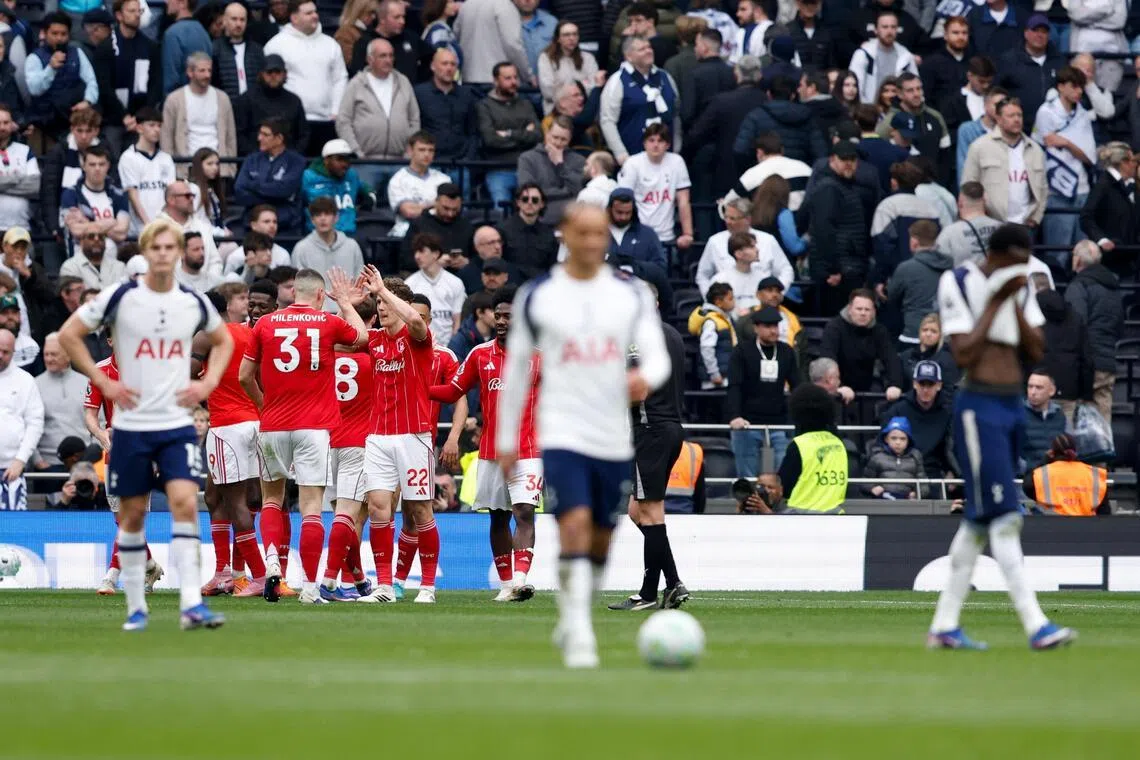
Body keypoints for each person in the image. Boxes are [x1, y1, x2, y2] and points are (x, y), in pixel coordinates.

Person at [496, 204, 670, 668]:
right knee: (572, 524)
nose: (593, 242)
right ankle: (578, 629)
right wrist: (508, 439)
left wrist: (645, 379)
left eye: (600, 234)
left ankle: (576, 611)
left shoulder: (629, 295)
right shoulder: (539, 295)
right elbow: (515, 369)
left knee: (601, 538)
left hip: (613, 433)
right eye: (584, 233)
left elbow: (658, 356)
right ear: (565, 235)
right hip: (562, 429)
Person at [58, 218, 234, 630]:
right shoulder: (120, 297)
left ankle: (191, 605)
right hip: (131, 428)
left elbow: (224, 339)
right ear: (145, 251)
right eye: (156, 247)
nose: (163, 254)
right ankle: (136, 606)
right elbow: (69, 334)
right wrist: (101, 380)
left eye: (170, 247)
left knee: (186, 504)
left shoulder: (192, 301)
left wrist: (208, 380)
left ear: (177, 253)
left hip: (175, 424)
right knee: (133, 516)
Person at [929, 222, 1075, 651]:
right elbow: (964, 352)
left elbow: (1034, 349)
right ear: (995, 255)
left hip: (1012, 404)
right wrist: (996, 302)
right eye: (1016, 261)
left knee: (977, 523)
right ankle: (1036, 625)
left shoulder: (1021, 287)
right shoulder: (957, 282)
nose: (1022, 269)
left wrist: (1013, 301)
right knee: (1006, 516)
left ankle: (944, 626)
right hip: (979, 407)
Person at [239, 267, 367, 603]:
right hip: (313, 428)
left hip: (273, 425)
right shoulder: (327, 322)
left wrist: (264, 405)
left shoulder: (265, 324)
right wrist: (347, 303)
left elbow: (244, 376)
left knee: (271, 500)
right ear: (321, 295)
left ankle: (270, 562)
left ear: (293, 292)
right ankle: (311, 587)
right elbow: (362, 338)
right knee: (311, 508)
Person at [429, 288, 543, 601]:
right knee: (497, 516)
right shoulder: (480, 355)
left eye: (509, 315)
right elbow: (453, 391)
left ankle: (520, 579)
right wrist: (419, 387)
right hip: (491, 452)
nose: (503, 320)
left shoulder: (537, 358)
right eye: (499, 314)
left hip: (529, 451)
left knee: (524, 512)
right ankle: (507, 585)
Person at [335, 269, 439, 604]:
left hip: (414, 436)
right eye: (378, 302)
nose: (381, 307)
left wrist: (384, 290)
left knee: (420, 510)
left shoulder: (418, 339)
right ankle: (383, 587)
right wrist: (343, 303)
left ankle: (427, 586)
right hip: (377, 437)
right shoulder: (376, 341)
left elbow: (416, 321)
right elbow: (351, 334)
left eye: (386, 302)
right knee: (380, 508)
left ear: (402, 304)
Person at [610, 293, 688, 610]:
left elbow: (634, 389)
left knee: (652, 512)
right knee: (636, 510)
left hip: (650, 430)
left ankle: (649, 593)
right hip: (671, 428)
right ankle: (671, 582)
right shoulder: (671, 334)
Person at [190, 282, 268, 598]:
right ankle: (225, 573)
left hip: (226, 425)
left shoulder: (207, 335)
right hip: (255, 422)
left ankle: (258, 576)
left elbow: (186, 373)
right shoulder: (248, 334)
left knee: (235, 500)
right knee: (214, 495)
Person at [387, 293, 468, 597]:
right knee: (386, 509)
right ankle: (388, 580)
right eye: (408, 315)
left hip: (420, 440)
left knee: (416, 511)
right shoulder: (390, 348)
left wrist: (453, 438)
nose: (413, 321)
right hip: (386, 437)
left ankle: (417, 583)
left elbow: (459, 399)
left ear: (430, 321)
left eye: (419, 317)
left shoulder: (444, 356)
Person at [316, 294, 378, 601]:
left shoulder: (327, 360)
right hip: (359, 443)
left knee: (341, 517)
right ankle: (328, 582)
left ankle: (357, 578)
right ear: (372, 322)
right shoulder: (372, 360)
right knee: (349, 516)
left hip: (326, 444)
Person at [263, 0, 349, 155]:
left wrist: (335, 111)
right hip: (290, 124)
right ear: (294, 18)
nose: (315, 16)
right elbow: (270, 82)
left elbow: (340, 79)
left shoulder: (331, 45)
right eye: (308, 13)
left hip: (326, 122)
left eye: (315, 12)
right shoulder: (276, 44)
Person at [336, 37, 421, 190]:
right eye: (383, 56)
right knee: (367, 208)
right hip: (366, 162)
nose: (388, 60)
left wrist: (410, 149)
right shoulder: (357, 84)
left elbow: (414, 119)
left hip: (400, 161)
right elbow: (343, 121)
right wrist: (357, 152)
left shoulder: (403, 82)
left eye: (391, 55)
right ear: (370, 59)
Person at [727, 305, 800, 477]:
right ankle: (748, 504)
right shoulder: (742, 351)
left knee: (783, 474)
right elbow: (734, 385)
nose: (773, 330)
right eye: (768, 326)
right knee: (748, 476)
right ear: (756, 328)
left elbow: (797, 385)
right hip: (747, 422)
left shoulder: (786, 351)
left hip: (779, 422)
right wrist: (735, 416)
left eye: (775, 326)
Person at [1032, 66, 1095, 263]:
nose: (1079, 91)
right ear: (1060, 87)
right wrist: (1069, 144)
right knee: (1058, 251)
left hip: (1082, 187)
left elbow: (1089, 156)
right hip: (1056, 189)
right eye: (1074, 86)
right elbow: (1045, 143)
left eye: (1081, 87)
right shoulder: (1046, 112)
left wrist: (1066, 143)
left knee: (1082, 248)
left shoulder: (1082, 115)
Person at [802, 141, 868, 315]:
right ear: (832, 160)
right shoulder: (829, 188)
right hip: (836, 271)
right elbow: (824, 230)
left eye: (852, 159)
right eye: (844, 159)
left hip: (846, 266)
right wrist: (832, 269)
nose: (849, 163)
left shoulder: (845, 186)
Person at [961, 97, 1046, 227]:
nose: (1017, 119)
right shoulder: (979, 147)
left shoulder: (1035, 150)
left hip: (1025, 224)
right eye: (1011, 116)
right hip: (990, 223)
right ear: (999, 119)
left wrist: (1036, 218)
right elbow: (969, 184)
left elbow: (1043, 188)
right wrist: (978, 217)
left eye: (1019, 115)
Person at [599, 36, 680, 166]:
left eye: (649, 47)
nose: (648, 51)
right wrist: (621, 154)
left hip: (667, 157)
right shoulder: (618, 81)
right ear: (629, 56)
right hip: (633, 158)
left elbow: (675, 114)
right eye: (642, 49)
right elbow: (607, 120)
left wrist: (677, 147)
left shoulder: (665, 77)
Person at [1065, 241, 1121, 424]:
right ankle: (1105, 450)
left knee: (1079, 417)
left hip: (1086, 361)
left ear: (1078, 260)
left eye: (1073, 255)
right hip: (1107, 360)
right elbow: (1119, 325)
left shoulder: (1079, 286)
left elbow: (1075, 325)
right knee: (1103, 414)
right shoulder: (1113, 287)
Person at [159, 53, 238, 179]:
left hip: (218, 168)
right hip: (186, 168)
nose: (207, 75)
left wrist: (230, 169)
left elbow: (230, 137)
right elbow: (166, 138)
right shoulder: (174, 99)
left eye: (209, 70)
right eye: (202, 71)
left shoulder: (222, 98)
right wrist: (170, 170)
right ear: (190, 72)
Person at [93, 0, 156, 155]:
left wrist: (140, 116)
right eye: (131, 11)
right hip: (113, 120)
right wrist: (124, 116)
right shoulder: (106, 48)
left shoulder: (149, 47)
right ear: (119, 15)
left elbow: (155, 84)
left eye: (139, 11)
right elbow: (104, 86)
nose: (136, 15)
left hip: (140, 120)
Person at [24, 12, 98, 141]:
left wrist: (87, 101)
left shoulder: (77, 53)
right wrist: (51, 68)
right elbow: (34, 89)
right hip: (45, 119)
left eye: (63, 34)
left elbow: (91, 81)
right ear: (44, 33)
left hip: (75, 115)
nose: (59, 38)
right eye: (54, 33)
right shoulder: (34, 58)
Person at [476, 62, 541, 208]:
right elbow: (490, 140)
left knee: (534, 209)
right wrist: (524, 134)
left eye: (515, 77)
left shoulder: (526, 104)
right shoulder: (484, 106)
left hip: (527, 168)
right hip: (498, 169)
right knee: (500, 211)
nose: (513, 82)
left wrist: (508, 134)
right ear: (495, 81)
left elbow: (537, 136)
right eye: (507, 78)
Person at [880, 359, 959, 478]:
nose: (925, 390)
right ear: (914, 384)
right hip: (901, 470)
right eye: (922, 384)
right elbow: (881, 444)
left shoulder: (947, 413)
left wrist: (952, 471)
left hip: (933, 473)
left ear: (939, 386)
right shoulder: (897, 410)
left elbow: (952, 449)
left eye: (930, 384)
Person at [778, 383, 848, 514]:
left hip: (802, 518)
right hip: (835, 516)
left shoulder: (800, 444)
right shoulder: (839, 444)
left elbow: (784, 487)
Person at [820, 289, 903, 399]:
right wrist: (838, 386)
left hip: (868, 386)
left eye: (867, 310)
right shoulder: (834, 328)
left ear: (873, 312)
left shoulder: (879, 330)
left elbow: (891, 358)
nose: (863, 313)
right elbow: (828, 359)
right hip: (839, 388)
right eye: (859, 309)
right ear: (850, 309)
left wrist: (895, 385)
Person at [734, 75, 827, 172]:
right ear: (793, 95)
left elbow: (740, 150)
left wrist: (753, 170)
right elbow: (820, 153)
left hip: (765, 178)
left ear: (769, 94)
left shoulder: (755, 116)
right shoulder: (807, 117)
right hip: (798, 176)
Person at [885, 220, 954, 348]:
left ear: (914, 241)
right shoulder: (949, 265)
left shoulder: (906, 268)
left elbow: (892, 297)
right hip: (942, 332)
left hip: (913, 333)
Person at [290, 197, 365, 312]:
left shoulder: (352, 246)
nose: (323, 218)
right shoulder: (301, 248)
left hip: (350, 310)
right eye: (318, 214)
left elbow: (360, 283)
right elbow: (299, 287)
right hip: (314, 314)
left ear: (336, 217)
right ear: (312, 219)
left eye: (327, 213)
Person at [414, 49, 478, 181]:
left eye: (453, 64)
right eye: (444, 64)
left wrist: (468, 158)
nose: (449, 68)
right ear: (433, 66)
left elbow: (473, 131)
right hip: (430, 164)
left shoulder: (467, 95)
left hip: (460, 165)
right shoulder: (419, 93)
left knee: (462, 201)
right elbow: (414, 127)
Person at [994, 13, 1063, 135]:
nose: (1039, 35)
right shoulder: (1009, 60)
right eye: (1035, 30)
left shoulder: (1059, 61)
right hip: (1018, 128)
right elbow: (996, 91)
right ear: (1026, 33)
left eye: (1044, 31)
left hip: (1054, 130)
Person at [234, 118, 306, 233]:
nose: (259, 138)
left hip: (285, 227)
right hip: (253, 226)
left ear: (279, 139)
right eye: (259, 134)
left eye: (265, 135)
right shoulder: (252, 159)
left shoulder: (296, 162)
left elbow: (284, 190)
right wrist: (276, 197)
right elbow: (239, 191)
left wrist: (253, 186)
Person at [1079, 142, 1137, 279]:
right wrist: (1102, 239)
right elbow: (1086, 217)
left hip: (1131, 257)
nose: (1136, 165)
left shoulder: (1131, 185)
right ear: (1124, 163)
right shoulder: (1103, 185)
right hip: (1112, 261)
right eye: (1133, 160)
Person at [232, 54, 309, 155]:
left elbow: (303, 134)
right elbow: (239, 134)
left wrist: (293, 156)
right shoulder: (246, 99)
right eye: (269, 72)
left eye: (277, 72)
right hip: (254, 160)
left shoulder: (294, 101)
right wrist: (255, 157)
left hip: (288, 161)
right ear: (261, 74)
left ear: (285, 74)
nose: (273, 75)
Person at [1036, 287, 1094, 421]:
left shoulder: (1036, 322)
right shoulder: (1076, 319)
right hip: (1069, 388)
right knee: (1066, 435)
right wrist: (1086, 395)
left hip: (1039, 386)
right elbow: (1087, 360)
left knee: (1037, 433)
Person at [0, 328, 42, 510]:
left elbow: (35, 423)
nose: (0, 355)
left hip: (12, 470)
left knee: (12, 532)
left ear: (13, 352)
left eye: (6, 352)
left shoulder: (25, 381)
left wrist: (21, 460)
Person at [517, 115, 586, 224]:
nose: (558, 143)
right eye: (555, 137)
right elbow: (529, 191)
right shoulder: (527, 158)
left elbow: (578, 190)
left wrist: (560, 164)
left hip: (571, 217)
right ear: (547, 134)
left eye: (563, 139)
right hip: (540, 214)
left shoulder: (579, 160)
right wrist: (566, 192)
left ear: (570, 139)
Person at [118, 107, 175, 236]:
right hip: (140, 229)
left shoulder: (166, 159)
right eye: (151, 125)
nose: (157, 130)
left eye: (159, 126)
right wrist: (148, 225)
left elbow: (171, 194)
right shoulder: (128, 158)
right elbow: (133, 195)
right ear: (139, 128)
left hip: (165, 227)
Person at [1022, 433, 1109, 516]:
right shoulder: (1094, 474)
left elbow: (1027, 486)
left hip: (1052, 527)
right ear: (1075, 451)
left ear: (1052, 452)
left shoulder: (1042, 473)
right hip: (1087, 528)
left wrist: (1045, 460)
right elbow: (1105, 512)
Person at [300, 138, 375, 235]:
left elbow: (368, 190)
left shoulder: (351, 175)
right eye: (339, 159)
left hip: (348, 236)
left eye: (347, 159)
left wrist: (370, 199)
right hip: (318, 236)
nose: (345, 164)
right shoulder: (309, 177)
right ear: (326, 160)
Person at [875, 73, 952, 167]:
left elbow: (946, 154)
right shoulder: (889, 121)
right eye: (910, 90)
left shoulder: (936, 116)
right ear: (899, 94)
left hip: (934, 179)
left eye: (919, 89)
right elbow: (876, 153)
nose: (916, 94)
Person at [386, 131, 451, 239]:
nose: (427, 154)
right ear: (410, 151)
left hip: (439, 232)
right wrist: (435, 205)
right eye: (422, 150)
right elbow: (409, 212)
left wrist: (418, 207)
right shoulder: (398, 180)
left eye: (431, 150)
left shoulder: (444, 179)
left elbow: (448, 211)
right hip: (407, 234)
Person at [404, 232, 466, 346]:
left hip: (448, 347)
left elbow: (457, 321)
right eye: (416, 252)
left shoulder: (455, 282)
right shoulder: (409, 284)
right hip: (419, 345)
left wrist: (452, 347)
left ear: (436, 254)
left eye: (422, 251)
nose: (417, 256)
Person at [399, 182, 474, 271]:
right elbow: (406, 258)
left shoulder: (466, 225)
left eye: (455, 209)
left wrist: (467, 262)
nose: (450, 214)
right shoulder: (420, 224)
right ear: (436, 202)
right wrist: (433, 262)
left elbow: (478, 257)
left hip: (461, 275)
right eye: (446, 208)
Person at [454, 0, 533, 84]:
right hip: (497, 82)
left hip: (468, 79)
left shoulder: (466, 5)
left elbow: (455, 37)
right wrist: (528, 76)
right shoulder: (504, 6)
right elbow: (513, 45)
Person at [849, 9, 918, 105]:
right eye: (885, 27)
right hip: (869, 110)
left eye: (893, 27)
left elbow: (915, 86)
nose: (889, 31)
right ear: (876, 30)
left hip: (898, 111)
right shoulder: (863, 54)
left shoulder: (906, 56)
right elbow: (856, 86)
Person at [156, 180, 222, 277]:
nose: (192, 199)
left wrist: (207, 285)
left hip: (205, 289)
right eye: (187, 196)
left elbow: (215, 262)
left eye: (192, 196)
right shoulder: (156, 229)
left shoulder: (202, 227)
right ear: (171, 200)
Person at [538, 20, 600, 115]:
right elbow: (547, 90)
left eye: (575, 34)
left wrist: (561, 87)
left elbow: (594, 87)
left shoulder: (588, 58)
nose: (572, 38)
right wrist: (581, 86)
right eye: (566, 35)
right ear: (558, 38)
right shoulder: (546, 58)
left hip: (583, 109)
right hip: (557, 111)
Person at [500, 183, 559, 280]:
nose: (530, 203)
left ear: (542, 204)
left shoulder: (548, 234)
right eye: (525, 199)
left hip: (539, 287)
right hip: (510, 287)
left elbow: (552, 267)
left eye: (535, 200)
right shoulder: (503, 230)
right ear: (518, 202)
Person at [935, 181, 1001, 266]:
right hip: (998, 278)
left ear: (960, 203)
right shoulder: (1003, 229)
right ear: (984, 201)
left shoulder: (949, 233)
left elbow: (940, 263)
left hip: (962, 278)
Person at [211, 1, 265, 101]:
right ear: (224, 21)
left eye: (242, 20)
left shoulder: (257, 50)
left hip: (252, 108)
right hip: (225, 107)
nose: (238, 24)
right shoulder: (214, 49)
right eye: (234, 19)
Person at [862, 416, 925, 499]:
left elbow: (924, 484)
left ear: (909, 440)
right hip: (882, 501)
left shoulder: (915, 457)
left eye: (903, 439)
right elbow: (864, 482)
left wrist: (916, 494)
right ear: (886, 439)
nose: (898, 442)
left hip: (907, 502)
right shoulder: (877, 457)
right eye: (894, 438)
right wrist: (872, 488)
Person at [688, 281, 735, 390]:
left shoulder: (723, 318)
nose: (734, 302)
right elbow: (707, 348)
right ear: (718, 302)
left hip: (725, 377)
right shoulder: (711, 322)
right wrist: (714, 374)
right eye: (730, 299)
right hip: (715, 381)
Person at [921, 16, 971, 113]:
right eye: (955, 33)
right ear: (945, 35)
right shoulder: (931, 63)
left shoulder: (974, 62)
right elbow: (925, 97)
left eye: (964, 33)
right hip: (942, 120)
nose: (960, 37)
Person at [161, 0, 211, 95]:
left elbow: (171, 80)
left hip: (180, 103)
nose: (166, 2)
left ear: (183, 3)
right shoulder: (204, 32)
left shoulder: (172, 34)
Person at [1022, 369, 1067, 473]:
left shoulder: (1060, 416)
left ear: (1051, 391)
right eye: (1030, 386)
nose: (1033, 392)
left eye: (1039, 388)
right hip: (1027, 478)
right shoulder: (1019, 415)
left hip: (1055, 476)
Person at [898, 313, 959, 390]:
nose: (928, 334)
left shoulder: (947, 360)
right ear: (919, 332)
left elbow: (949, 390)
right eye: (925, 330)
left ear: (940, 335)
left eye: (934, 331)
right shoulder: (905, 356)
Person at [420, 0, 462, 74]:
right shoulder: (439, 30)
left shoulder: (439, 27)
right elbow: (440, 57)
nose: (454, 4)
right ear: (440, 4)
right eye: (450, 2)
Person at [335, 0, 378, 69]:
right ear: (359, 12)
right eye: (370, 13)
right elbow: (349, 63)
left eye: (374, 13)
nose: (374, 17)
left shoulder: (370, 31)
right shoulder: (344, 34)